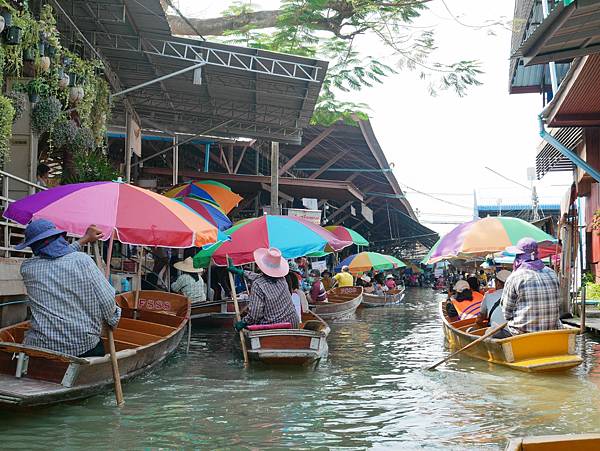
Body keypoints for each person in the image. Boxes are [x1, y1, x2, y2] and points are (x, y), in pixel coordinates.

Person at [17, 219, 121, 358]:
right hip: (82, 346)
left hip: (39, 346)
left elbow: (56, 256)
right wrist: (112, 321)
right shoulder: (82, 261)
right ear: (60, 238)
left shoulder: (27, 268)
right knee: (96, 344)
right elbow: (107, 301)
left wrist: (84, 240)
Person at [501, 237, 561, 335]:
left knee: (493, 333)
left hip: (521, 334)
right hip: (552, 331)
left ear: (520, 257)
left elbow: (507, 314)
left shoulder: (514, 277)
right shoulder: (552, 273)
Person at [228, 247, 300, 330]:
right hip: (293, 323)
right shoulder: (282, 279)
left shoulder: (258, 285)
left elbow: (255, 315)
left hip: (273, 327)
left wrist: (243, 322)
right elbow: (259, 277)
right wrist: (242, 272)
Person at [476, 270, 511, 336]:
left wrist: (478, 323)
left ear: (497, 283)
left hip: (499, 334)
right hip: (516, 334)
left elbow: (480, 318)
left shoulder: (488, 295)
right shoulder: (517, 295)